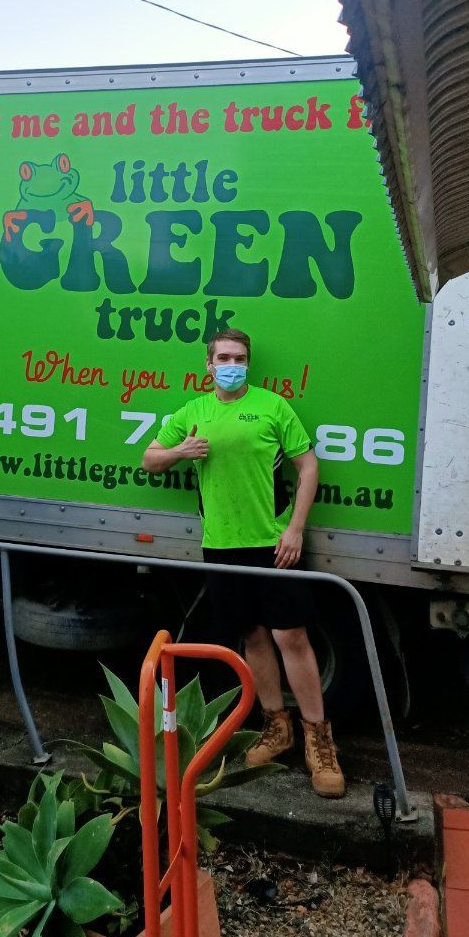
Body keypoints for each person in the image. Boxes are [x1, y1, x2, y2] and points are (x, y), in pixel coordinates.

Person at [141, 328, 345, 798]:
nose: (233, 364)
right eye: (225, 357)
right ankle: (277, 728)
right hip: (221, 545)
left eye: (241, 357)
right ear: (209, 365)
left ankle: (319, 739)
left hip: (274, 544)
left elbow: (308, 467)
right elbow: (150, 460)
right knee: (252, 635)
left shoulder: (273, 406)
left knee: (291, 635)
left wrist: (295, 529)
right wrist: (179, 452)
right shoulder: (194, 411)